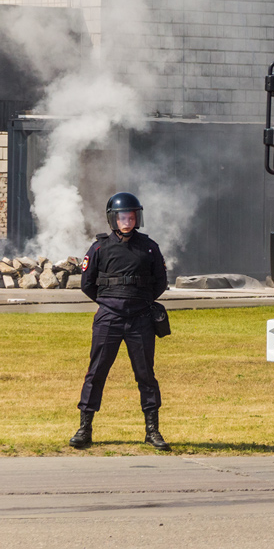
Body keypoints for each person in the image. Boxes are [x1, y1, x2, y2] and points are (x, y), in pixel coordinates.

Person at [69, 192, 171, 451]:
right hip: (108, 318)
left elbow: (160, 282)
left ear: (137, 218)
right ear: (113, 219)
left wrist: (140, 302)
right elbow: (87, 284)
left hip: (140, 319)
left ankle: (152, 431)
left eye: (132, 216)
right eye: (122, 216)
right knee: (96, 373)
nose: (127, 221)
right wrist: (109, 303)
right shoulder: (99, 247)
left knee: (146, 375)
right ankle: (85, 429)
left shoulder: (149, 247)